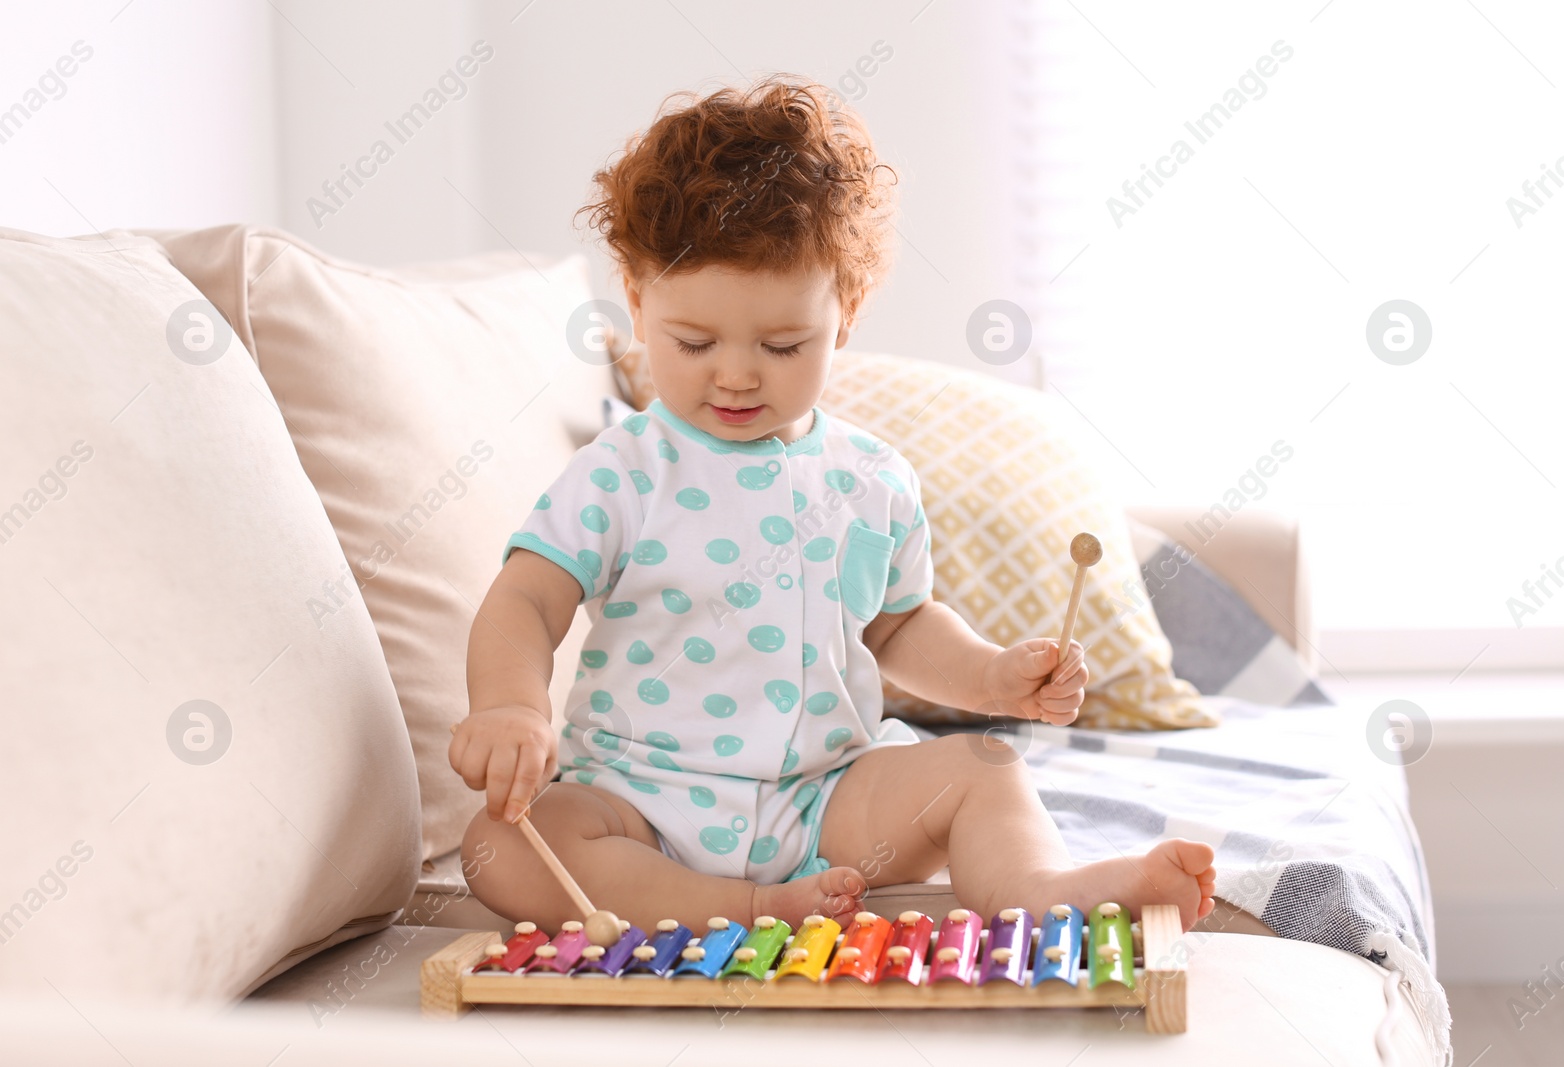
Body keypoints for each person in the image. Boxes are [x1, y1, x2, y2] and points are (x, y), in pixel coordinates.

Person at [452, 75, 1215, 932]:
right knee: (498, 846)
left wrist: (994, 674)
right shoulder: (623, 468)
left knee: (986, 768)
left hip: (828, 802)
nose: (736, 373)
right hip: (641, 804)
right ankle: (729, 906)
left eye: (783, 344)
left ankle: (1045, 887)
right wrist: (511, 705)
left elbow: (899, 625)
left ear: (845, 313)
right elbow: (526, 595)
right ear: (636, 302)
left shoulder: (873, 477)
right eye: (694, 341)